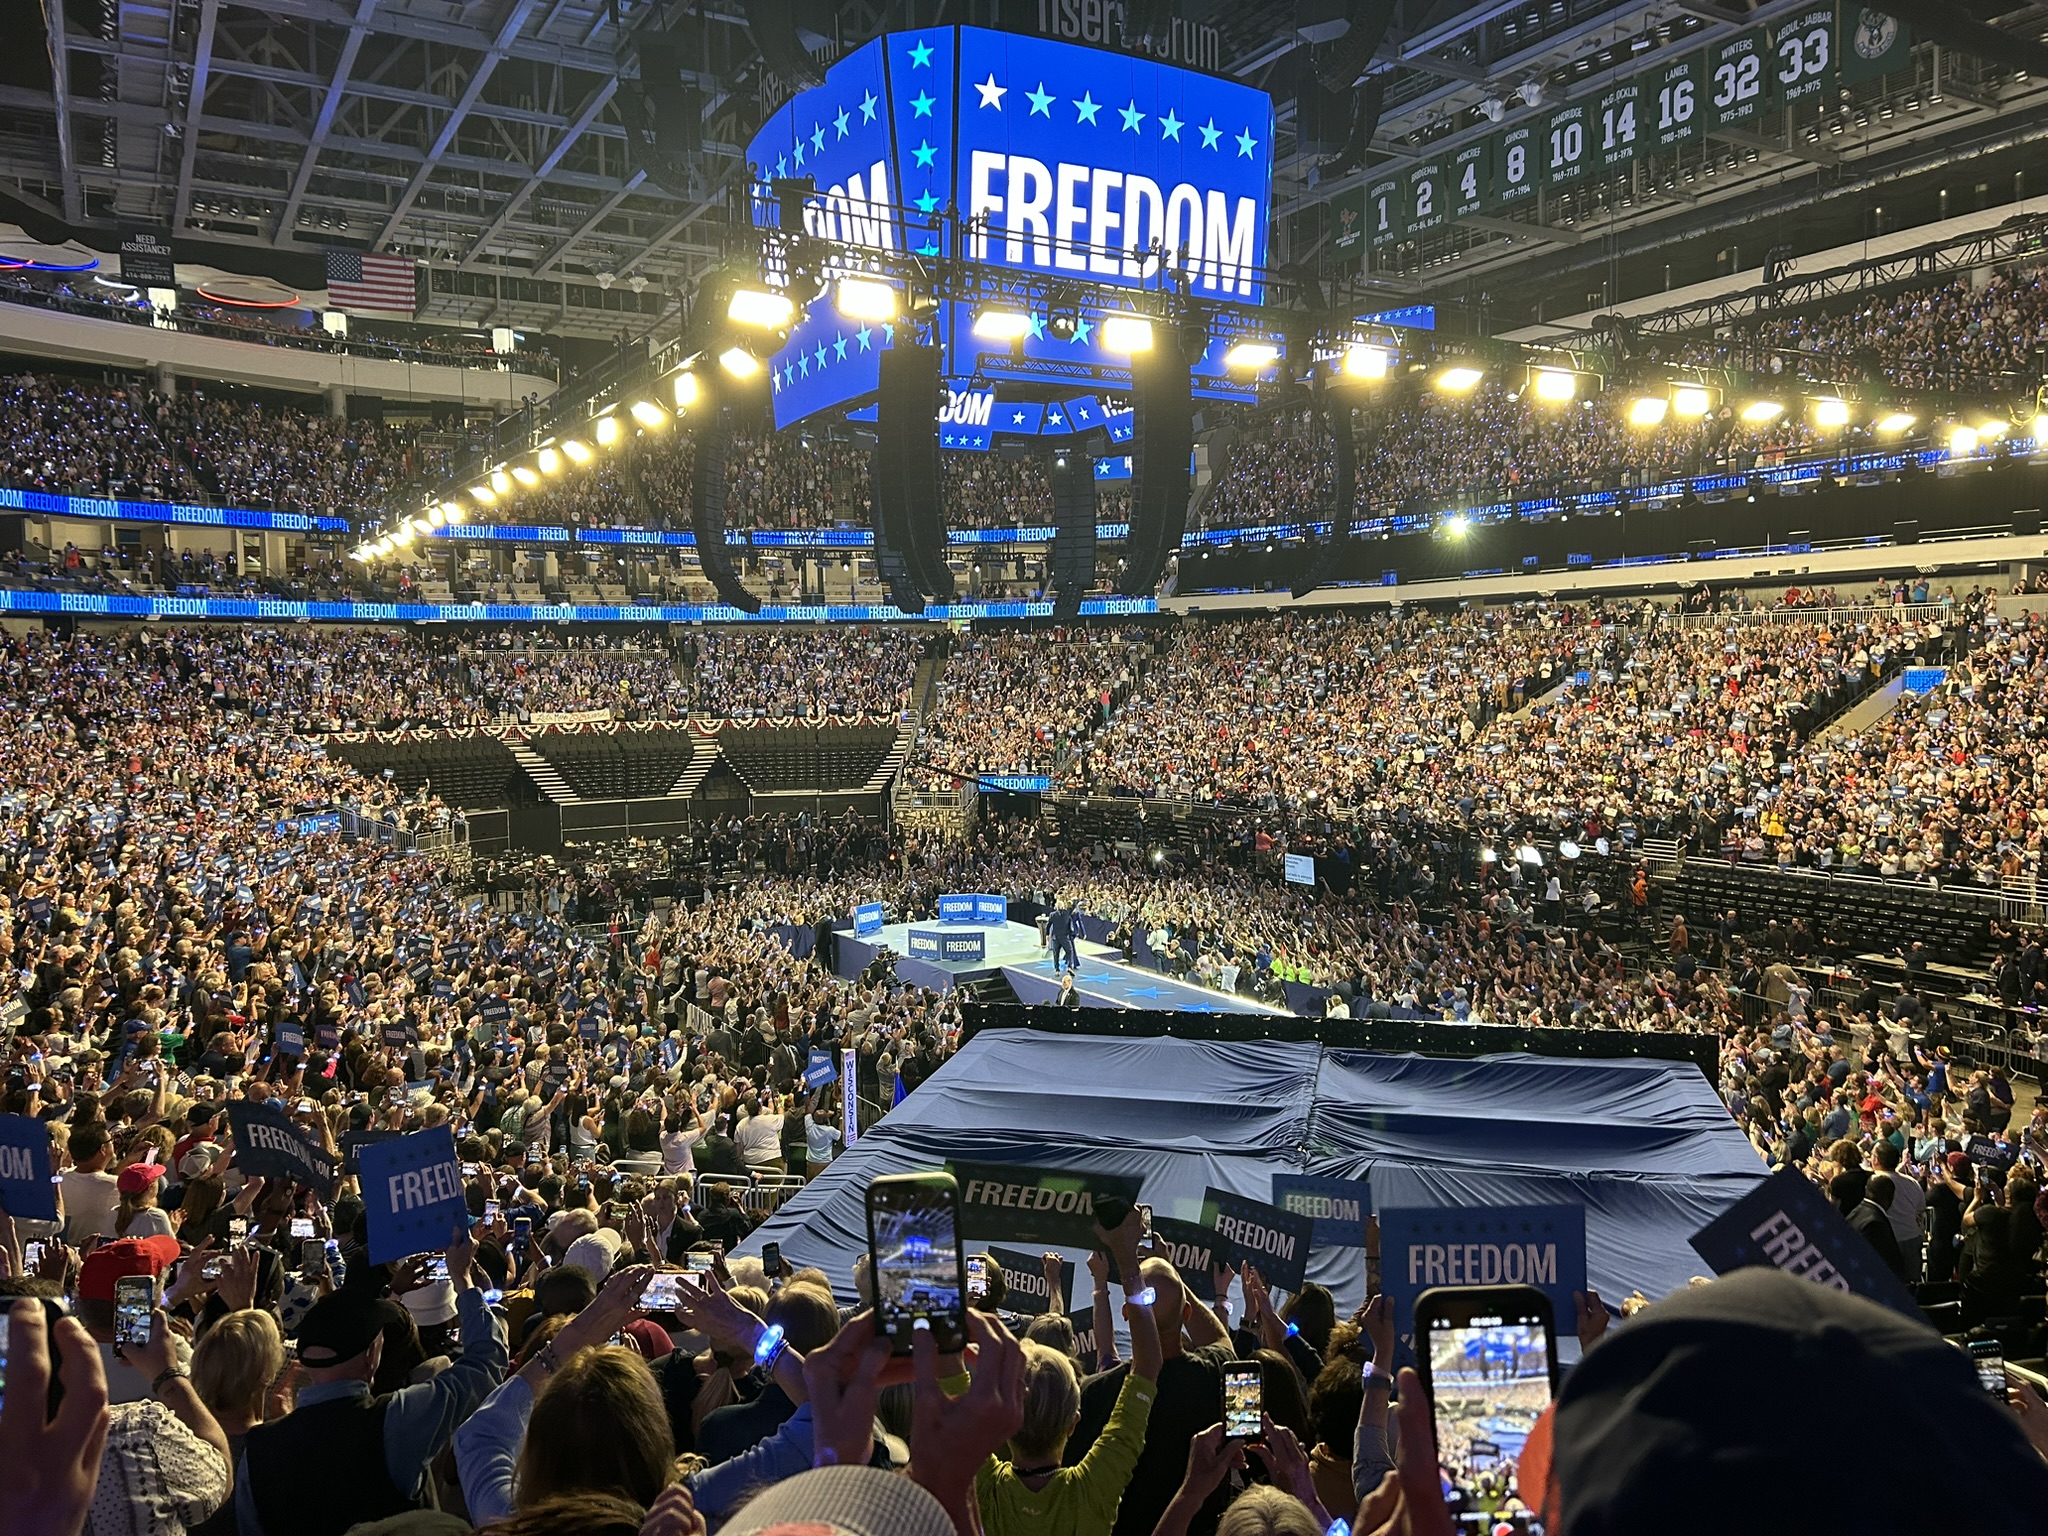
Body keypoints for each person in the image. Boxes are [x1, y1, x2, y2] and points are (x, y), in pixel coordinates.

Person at [235, 1232, 507, 1536]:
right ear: (372, 1355)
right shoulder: (399, 1419)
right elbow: (486, 1363)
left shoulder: (258, 1450)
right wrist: (462, 1279)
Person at [975, 1217, 1161, 1536]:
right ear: (1074, 1422)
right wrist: (1128, 1263)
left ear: (1006, 1416)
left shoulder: (981, 1479)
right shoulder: (1093, 1488)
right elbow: (1148, 1364)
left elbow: (947, 1378)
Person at [1062, 1243, 1236, 1536]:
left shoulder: (1094, 1394)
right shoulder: (1215, 1374)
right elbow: (1221, 1340)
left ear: (1127, 1313)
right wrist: (1175, 1280)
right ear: (1188, 1314)